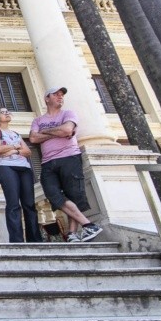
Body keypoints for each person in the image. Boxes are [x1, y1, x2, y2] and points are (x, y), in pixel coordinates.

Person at [29, 87, 102, 243]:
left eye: (61, 95)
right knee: (53, 194)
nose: (60, 97)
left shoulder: (68, 114)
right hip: (47, 162)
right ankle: (88, 225)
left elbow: (67, 130)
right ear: (47, 99)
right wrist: (58, 130)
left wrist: (46, 132)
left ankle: (71, 234)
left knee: (72, 196)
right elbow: (33, 139)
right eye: (56, 94)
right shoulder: (38, 120)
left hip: (69, 157)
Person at [0, 107, 41, 242]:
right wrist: (17, 147)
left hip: (24, 168)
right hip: (5, 168)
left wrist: (14, 151)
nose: (7, 114)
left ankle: (35, 240)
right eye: (3, 112)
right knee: (13, 204)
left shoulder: (15, 133)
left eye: (8, 112)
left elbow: (28, 152)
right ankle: (17, 241)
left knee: (29, 204)